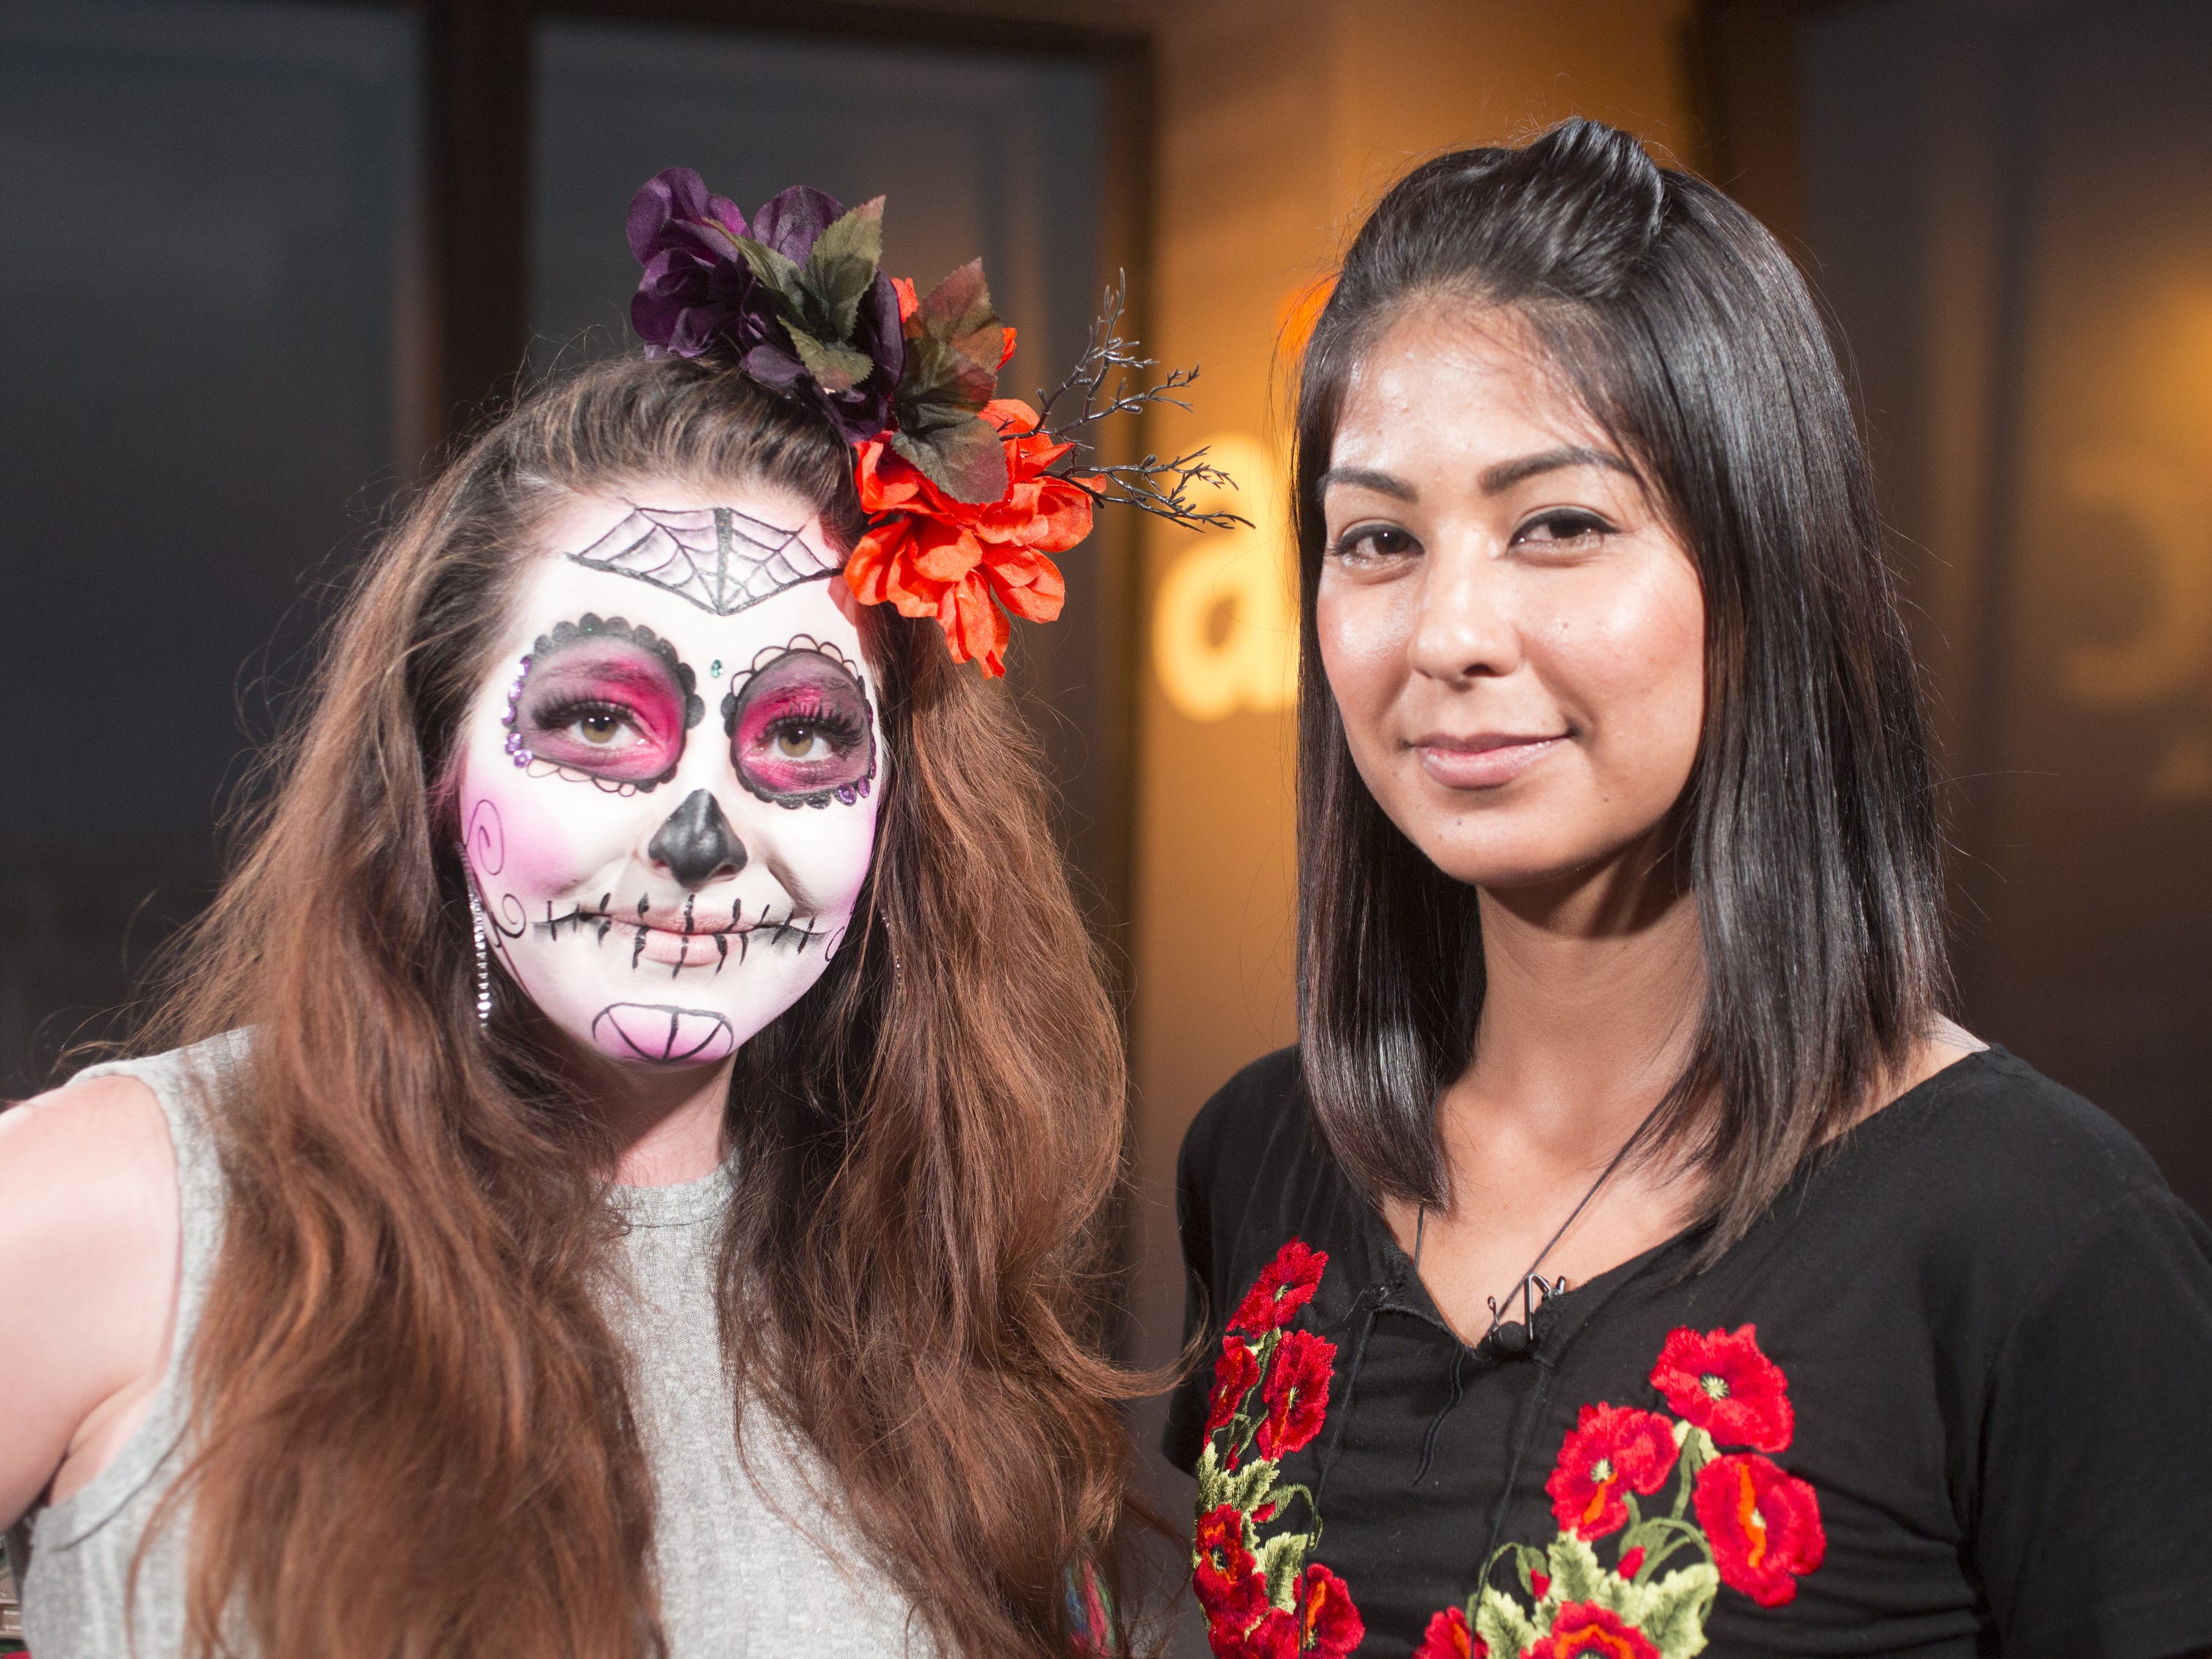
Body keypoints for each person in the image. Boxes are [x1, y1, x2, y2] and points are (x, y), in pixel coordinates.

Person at [0, 171, 1223, 1659]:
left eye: (799, 737)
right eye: (599, 719)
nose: (706, 833)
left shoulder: (928, 1336)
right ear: (433, 760)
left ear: (895, 814)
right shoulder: (139, 1206)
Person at [1164, 120, 2212, 1659]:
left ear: (1764, 572)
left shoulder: (2038, 1233)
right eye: (1377, 538)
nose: (1448, 629)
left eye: (1560, 526)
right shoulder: (1262, 1153)